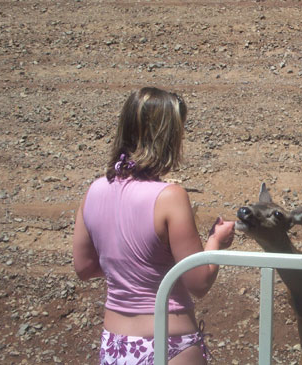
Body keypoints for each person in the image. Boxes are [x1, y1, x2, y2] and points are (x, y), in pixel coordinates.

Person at [72, 87, 235, 365]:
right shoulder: (170, 197)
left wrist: (132, 267)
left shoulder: (94, 191)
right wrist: (215, 242)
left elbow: (85, 267)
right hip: (170, 342)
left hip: (116, 344)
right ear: (168, 137)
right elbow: (198, 282)